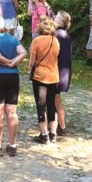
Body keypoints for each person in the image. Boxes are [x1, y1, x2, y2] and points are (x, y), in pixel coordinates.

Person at [0, 15, 26, 157]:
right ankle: (12, 145)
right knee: (12, 112)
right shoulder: (13, 38)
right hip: (13, 77)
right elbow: (23, 52)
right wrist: (14, 62)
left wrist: (7, 62)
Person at [29, 16, 61, 144]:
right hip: (53, 76)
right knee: (51, 105)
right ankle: (53, 133)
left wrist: (30, 67)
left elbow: (31, 62)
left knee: (41, 105)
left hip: (40, 76)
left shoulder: (37, 41)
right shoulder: (56, 41)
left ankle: (44, 134)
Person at [53, 10, 73, 136]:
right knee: (57, 99)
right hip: (64, 71)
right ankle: (62, 125)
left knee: (53, 100)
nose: (54, 18)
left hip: (56, 71)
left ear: (60, 21)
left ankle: (56, 126)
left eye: (56, 17)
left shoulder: (56, 35)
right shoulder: (67, 35)